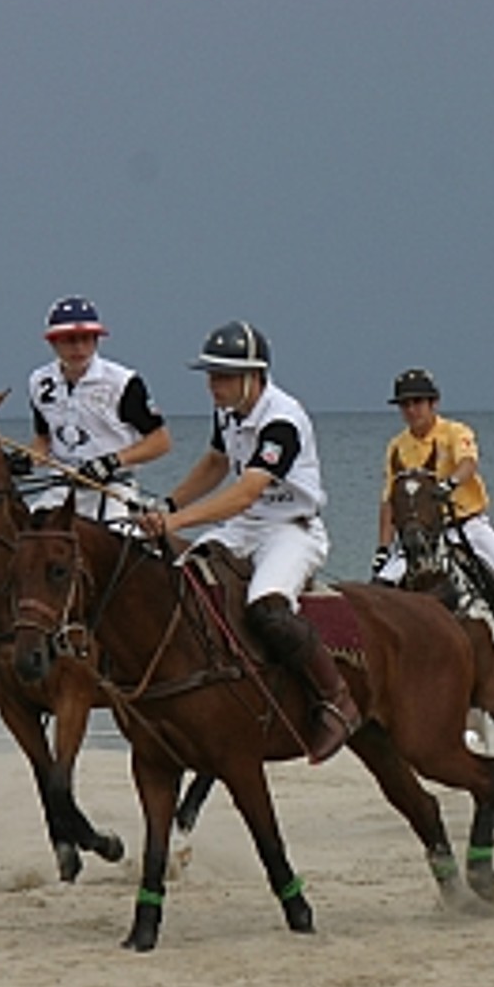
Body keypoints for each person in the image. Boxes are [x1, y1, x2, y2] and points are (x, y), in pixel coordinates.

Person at [138, 320, 360, 763]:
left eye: (222, 377)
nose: (212, 386)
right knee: (179, 578)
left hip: (291, 529)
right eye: (210, 376)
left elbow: (246, 491)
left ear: (253, 376)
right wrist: (165, 504)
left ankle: (338, 699)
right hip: (246, 527)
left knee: (267, 606)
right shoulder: (228, 412)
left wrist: (177, 520)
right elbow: (217, 463)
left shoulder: (282, 420)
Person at [0, 294, 172, 701]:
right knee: (8, 557)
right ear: (53, 343)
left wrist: (110, 461)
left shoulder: (123, 382)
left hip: (112, 490)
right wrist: (26, 461)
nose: (79, 346)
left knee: (126, 568)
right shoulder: (40, 382)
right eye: (69, 339)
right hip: (59, 491)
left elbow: (160, 441)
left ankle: (127, 660)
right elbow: (45, 441)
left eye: (86, 338)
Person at [373, 367, 494, 668]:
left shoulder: (455, 432)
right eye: (405, 405)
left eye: (417, 403)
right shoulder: (396, 447)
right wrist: (383, 549)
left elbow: (468, 463)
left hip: (466, 524)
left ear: (433, 403)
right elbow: (388, 502)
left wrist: (448, 485)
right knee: (378, 590)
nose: (411, 410)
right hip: (420, 535)